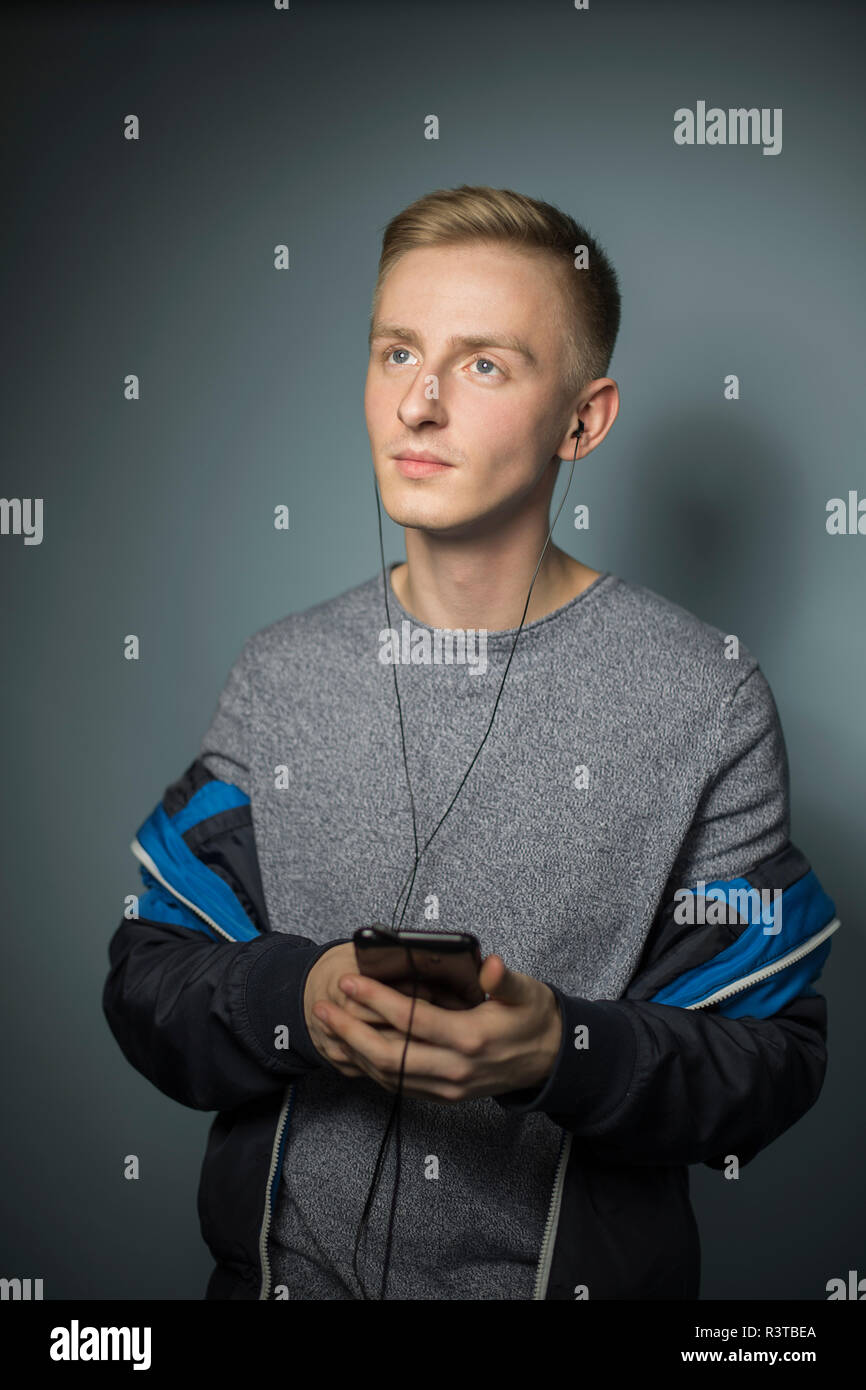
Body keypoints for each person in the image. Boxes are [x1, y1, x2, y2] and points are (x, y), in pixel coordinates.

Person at [102, 184, 839, 1301]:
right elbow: (150, 976)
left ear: (583, 421)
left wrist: (559, 1053)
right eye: (397, 352)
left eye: (484, 364)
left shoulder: (708, 698)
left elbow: (768, 1057)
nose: (419, 404)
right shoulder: (278, 673)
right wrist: (294, 1004)